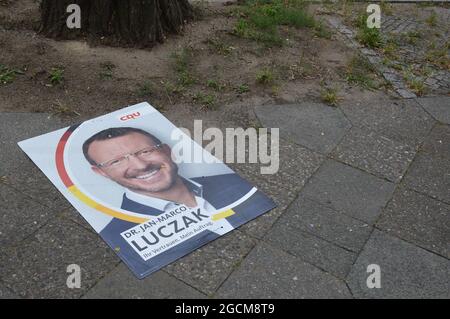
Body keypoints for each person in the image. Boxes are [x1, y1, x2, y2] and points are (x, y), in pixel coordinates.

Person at [82, 127, 275, 278]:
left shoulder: (232, 183)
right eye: (116, 162)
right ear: (101, 172)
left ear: (167, 150)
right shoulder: (117, 235)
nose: (140, 165)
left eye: (146, 151)